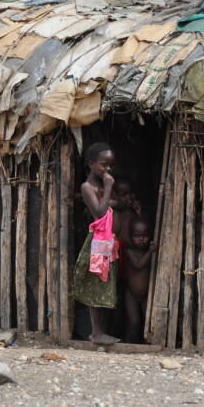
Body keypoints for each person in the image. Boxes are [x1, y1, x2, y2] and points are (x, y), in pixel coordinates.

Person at [71, 142, 120, 345]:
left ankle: (101, 331)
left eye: (110, 165)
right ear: (91, 164)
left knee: (105, 284)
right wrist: (108, 190)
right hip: (97, 241)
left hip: (109, 241)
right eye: (103, 165)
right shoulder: (87, 187)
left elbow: (112, 203)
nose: (107, 169)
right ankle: (96, 332)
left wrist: (108, 197)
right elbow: (99, 212)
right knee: (95, 283)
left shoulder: (101, 187)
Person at [123, 216, 156, 344]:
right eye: (137, 236)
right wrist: (150, 252)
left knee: (150, 322)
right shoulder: (130, 252)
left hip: (146, 294)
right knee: (134, 322)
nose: (141, 239)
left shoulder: (150, 252)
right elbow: (138, 264)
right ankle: (130, 345)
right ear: (131, 237)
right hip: (131, 294)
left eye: (145, 235)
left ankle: (146, 344)